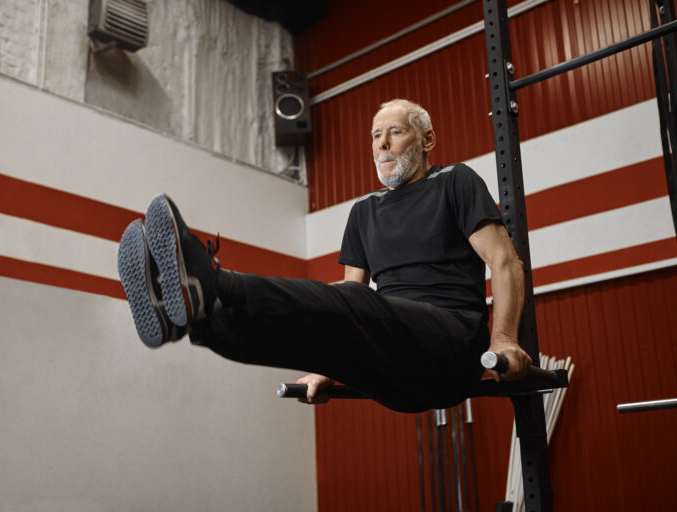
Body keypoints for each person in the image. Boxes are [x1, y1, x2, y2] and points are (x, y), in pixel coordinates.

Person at [117, 99, 531, 413]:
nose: (382, 144)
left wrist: (505, 340)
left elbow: (505, 261)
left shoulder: (454, 181)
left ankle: (214, 284)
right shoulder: (364, 211)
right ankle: (197, 321)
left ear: (427, 141)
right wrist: (325, 363)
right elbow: (347, 303)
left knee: (355, 302)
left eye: (395, 132)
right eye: (375, 135)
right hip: (395, 370)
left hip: (450, 348)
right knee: (309, 319)